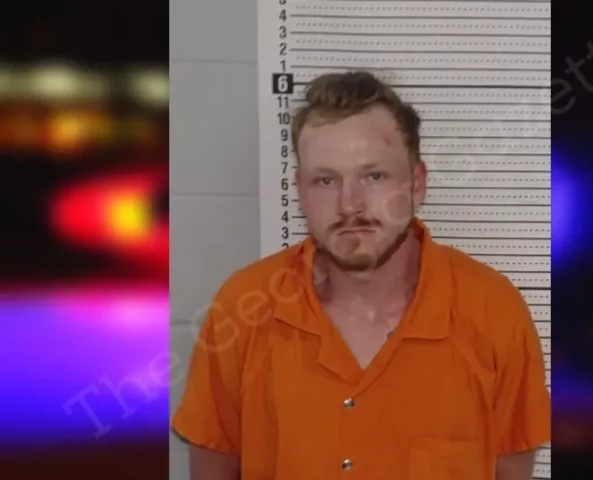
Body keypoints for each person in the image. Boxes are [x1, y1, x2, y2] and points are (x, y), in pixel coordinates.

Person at [171, 70, 551, 480]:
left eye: (374, 176)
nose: (349, 205)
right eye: (325, 180)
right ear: (300, 191)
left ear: (416, 184)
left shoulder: (494, 311)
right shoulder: (242, 308)